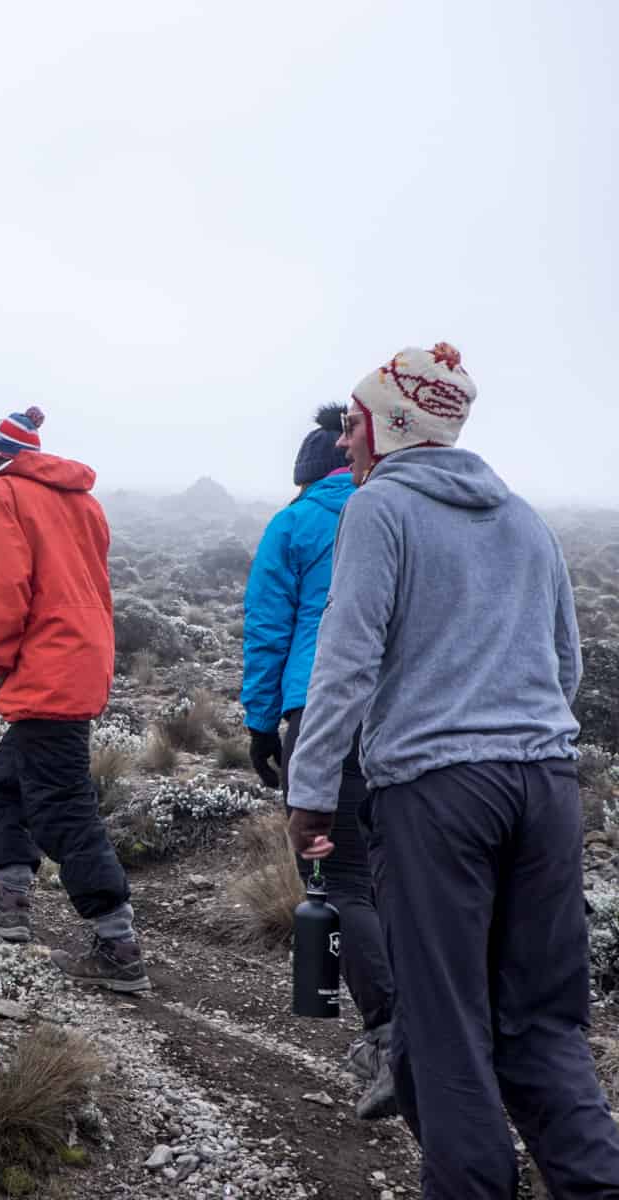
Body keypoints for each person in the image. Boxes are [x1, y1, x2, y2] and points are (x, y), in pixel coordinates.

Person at [286, 343, 619, 1197]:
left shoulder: (380, 509)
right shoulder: (524, 518)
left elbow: (347, 661)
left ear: (387, 424)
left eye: (356, 423)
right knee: (543, 1026)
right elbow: (565, 666)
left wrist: (313, 789)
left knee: (443, 1026)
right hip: (546, 787)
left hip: (438, 795)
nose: (347, 445)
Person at [0, 407, 148, 993]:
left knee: (63, 807)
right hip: (84, 658)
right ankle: (10, 901)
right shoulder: (82, 501)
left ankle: (117, 943)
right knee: (2, 788)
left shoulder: (4, 495)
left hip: (44, 663)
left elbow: (2, 588)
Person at [242, 404, 397, 1119]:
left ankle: (391, 1037)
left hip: (319, 713)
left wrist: (257, 724)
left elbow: (269, 629)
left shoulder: (295, 522)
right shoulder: (396, 510)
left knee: (340, 878)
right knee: (396, 875)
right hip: (403, 720)